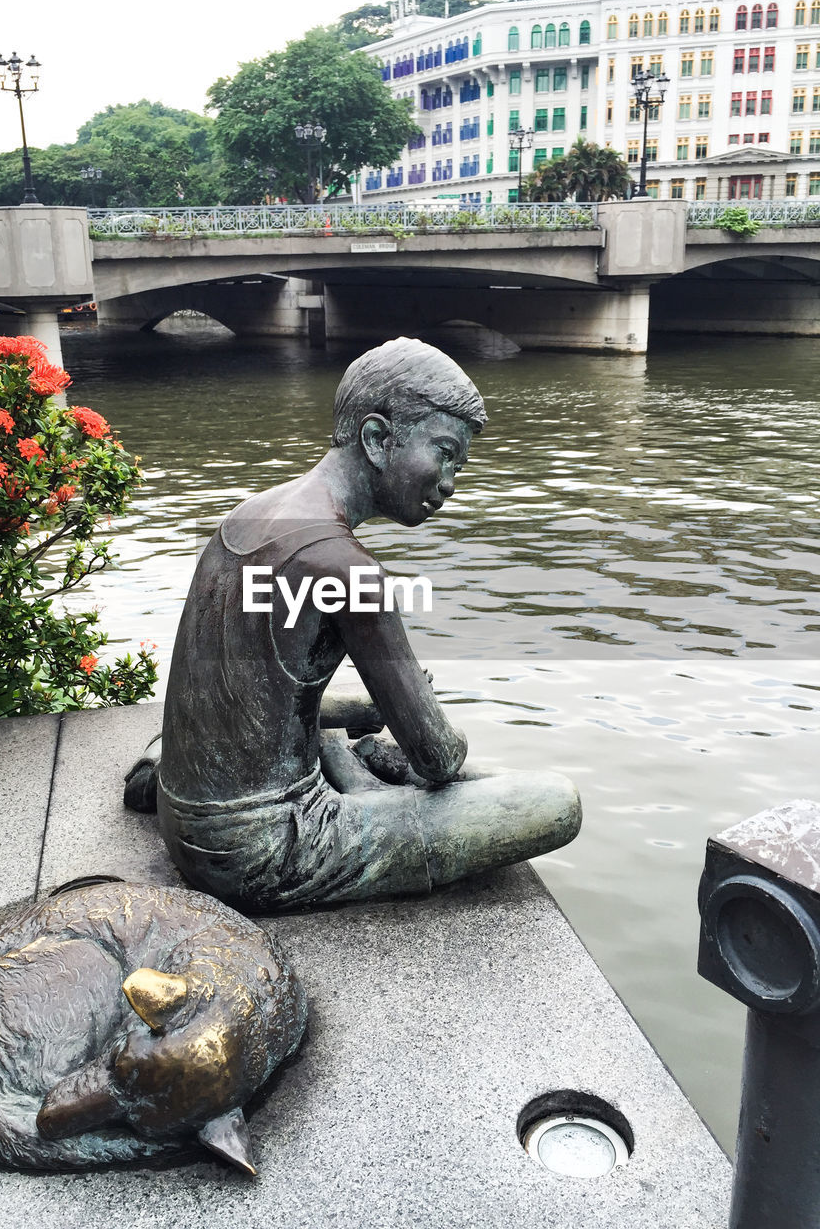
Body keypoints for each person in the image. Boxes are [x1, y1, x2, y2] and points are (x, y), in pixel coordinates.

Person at [128, 337, 580, 911]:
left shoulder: (245, 517)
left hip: (184, 813)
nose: (449, 482)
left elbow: (248, 690)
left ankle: (345, 763)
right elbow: (438, 759)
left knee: (366, 721)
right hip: (261, 850)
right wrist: (422, 723)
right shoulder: (351, 571)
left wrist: (374, 710)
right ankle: (353, 771)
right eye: (443, 453)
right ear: (376, 438)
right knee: (554, 802)